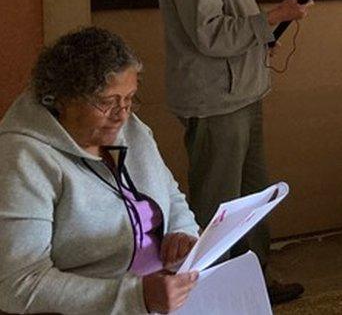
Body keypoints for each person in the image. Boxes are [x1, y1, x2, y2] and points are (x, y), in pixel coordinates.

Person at [157, 0, 309, 304]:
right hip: (215, 102)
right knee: (218, 207)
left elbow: (233, 24)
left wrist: (260, 40)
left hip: (243, 93)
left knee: (252, 199)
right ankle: (213, 296)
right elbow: (208, 34)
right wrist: (275, 16)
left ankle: (255, 282)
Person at [0, 27, 200, 314]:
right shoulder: (23, 157)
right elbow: (18, 284)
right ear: (61, 97)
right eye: (107, 102)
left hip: (161, 294)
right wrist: (136, 298)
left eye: (129, 98)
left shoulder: (132, 130)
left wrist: (181, 234)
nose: (122, 114)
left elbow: (171, 195)